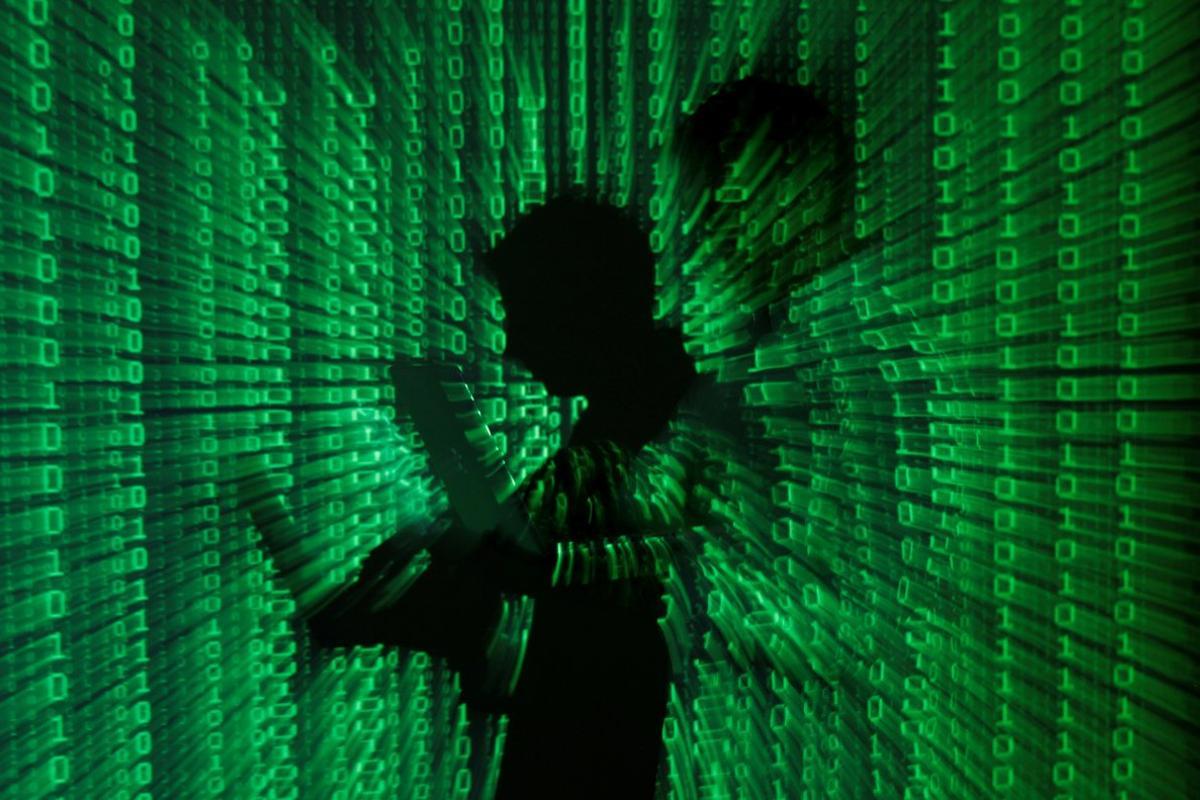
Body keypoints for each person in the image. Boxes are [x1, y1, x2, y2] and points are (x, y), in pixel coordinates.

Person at [239, 77, 851, 798]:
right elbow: (526, 544)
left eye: (714, 213)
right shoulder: (666, 388)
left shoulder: (748, 395)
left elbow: (540, 558)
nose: (512, 347)